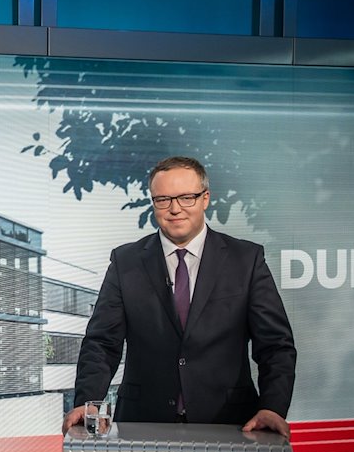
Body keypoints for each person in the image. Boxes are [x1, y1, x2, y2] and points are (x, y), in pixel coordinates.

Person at [62, 156, 296, 437]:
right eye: (163, 200)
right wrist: (87, 402)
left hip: (232, 424)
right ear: (153, 203)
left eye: (186, 197)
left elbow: (275, 345)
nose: (175, 209)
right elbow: (101, 343)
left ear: (205, 198)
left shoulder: (246, 260)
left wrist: (273, 406)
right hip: (142, 423)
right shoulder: (126, 262)